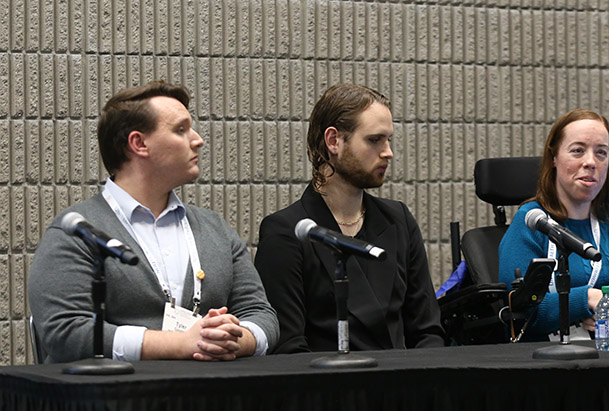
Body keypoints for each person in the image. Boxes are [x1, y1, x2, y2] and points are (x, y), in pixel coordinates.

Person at [28, 81, 279, 363]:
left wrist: (234, 339)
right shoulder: (76, 231)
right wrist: (177, 344)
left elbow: (261, 314)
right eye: (181, 129)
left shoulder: (215, 228)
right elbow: (65, 332)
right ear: (139, 143)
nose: (198, 139)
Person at [254, 84, 445, 353]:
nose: (388, 152)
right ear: (334, 141)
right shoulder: (286, 231)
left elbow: (427, 330)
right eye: (374, 140)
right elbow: (289, 348)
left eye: (388, 139)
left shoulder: (398, 219)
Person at [498, 109, 609, 340]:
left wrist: (603, 303)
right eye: (578, 151)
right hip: (545, 360)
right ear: (554, 158)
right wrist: (586, 300)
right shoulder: (532, 222)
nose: (591, 162)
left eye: (601, 152)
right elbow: (522, 308)